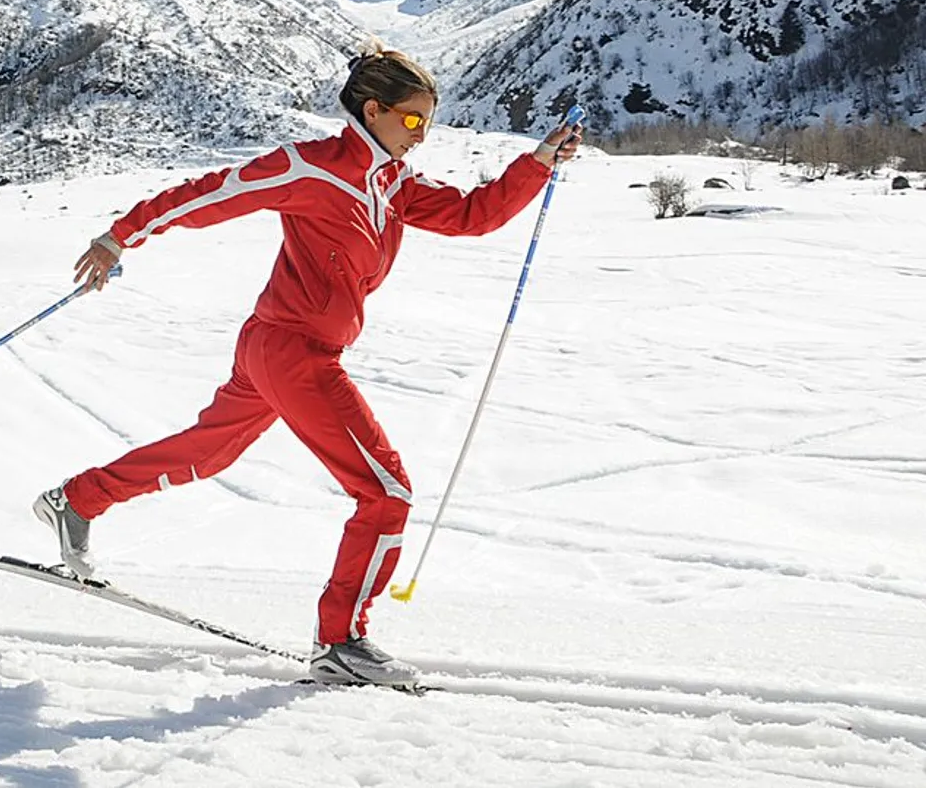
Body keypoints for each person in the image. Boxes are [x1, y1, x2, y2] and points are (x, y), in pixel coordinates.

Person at [31, 46, 582, 686]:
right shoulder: (311, 168)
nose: (420, 136)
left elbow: (470, 216)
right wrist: (118, 236)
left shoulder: (392, 183)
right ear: (372, 110)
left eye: (428, 124)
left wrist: (538, 163)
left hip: (281, 346)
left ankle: (75, 500)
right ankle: (342, 642)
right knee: (386, 492)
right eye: (411, 121)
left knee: (207, 455)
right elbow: (211, 194)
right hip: (293, 351)